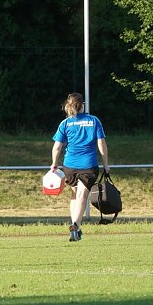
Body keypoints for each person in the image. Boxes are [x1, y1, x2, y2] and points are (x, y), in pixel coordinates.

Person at [50, 92, 109, 242]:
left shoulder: (65, 123)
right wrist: (106, 166)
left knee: (75, 194)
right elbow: (101, 145)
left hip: (69, 166)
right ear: (83, 105)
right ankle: (75, 224)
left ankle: (76, 227)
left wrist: (54, 163)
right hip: (88, 165)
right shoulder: (94, 121)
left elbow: (57, 147)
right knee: (83, 195)